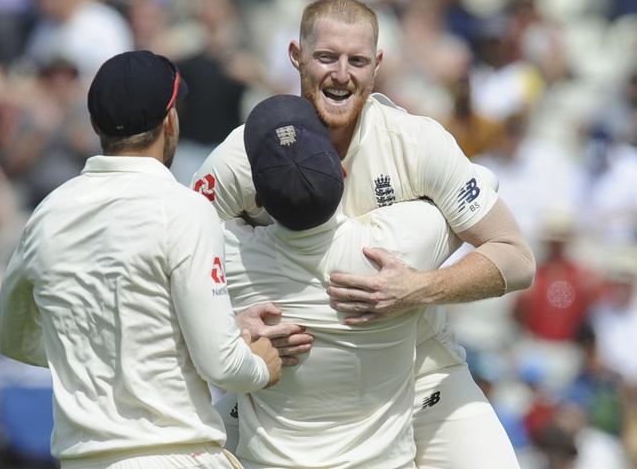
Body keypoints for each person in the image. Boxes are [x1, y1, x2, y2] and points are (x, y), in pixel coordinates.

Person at [192, 0, 535, 468]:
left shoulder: (417, 142)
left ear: (377, 67)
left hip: (423, 376)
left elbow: (516, 256)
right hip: (280, 390)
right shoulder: (244, 154)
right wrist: (228, 324)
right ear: (296, 56)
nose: (341, 74)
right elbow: (176, 259)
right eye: (326, 57)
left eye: (357, 61)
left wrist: (417, 288)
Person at [0, 50, 281, 469]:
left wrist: (100, 355)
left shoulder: (48, 213)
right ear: (170, 120)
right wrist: (261, 367)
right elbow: (224, 365)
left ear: (96, 125)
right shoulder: (184, 209)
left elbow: (12, 340)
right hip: (175, 456)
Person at [218, 94, 519, 469]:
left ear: (258, 197)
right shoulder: (403, 241)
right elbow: (483, 187)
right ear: (343, 174)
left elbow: (170, 272)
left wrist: (229, 326)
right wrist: (417, 287)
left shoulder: (231, 251)